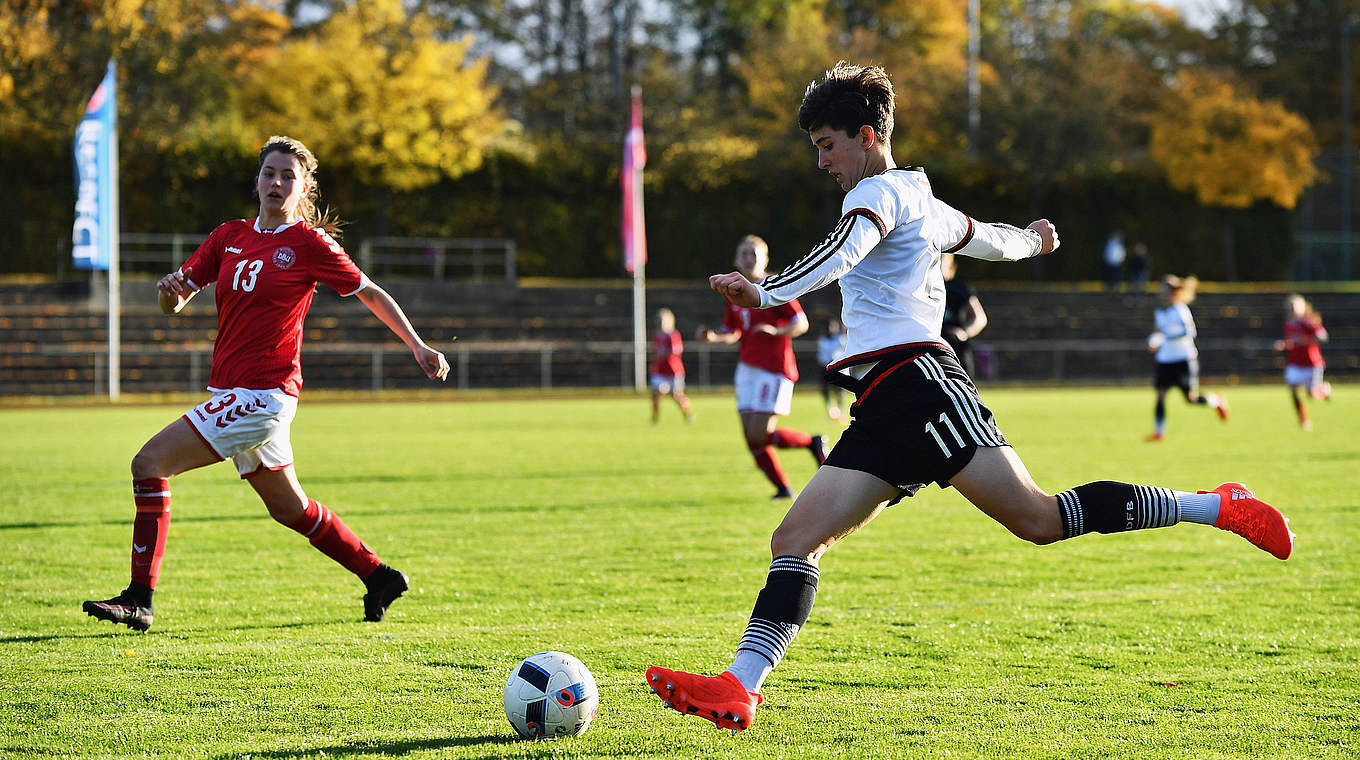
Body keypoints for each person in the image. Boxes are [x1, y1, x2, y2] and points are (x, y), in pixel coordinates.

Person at [644, 63, 1292, 734]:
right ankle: (740, 688)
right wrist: (1035, 240)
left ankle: (1218, 506)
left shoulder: (883, 195)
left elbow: (844, 248)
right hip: (885, 402)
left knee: (1039, 518)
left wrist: (766, 290)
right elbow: (989, 238)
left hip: (922, 386)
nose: (821, 161)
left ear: (867, 136)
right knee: (795, 537)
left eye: (827, 144)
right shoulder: (922, 201)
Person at [82, 135, 450, 632]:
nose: (277, 183)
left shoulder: (310, 245)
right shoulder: (228, 236)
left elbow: (370, 292)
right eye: (269, 173)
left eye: (288, 177)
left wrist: (418, 345)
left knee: (148, 464)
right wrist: (169, 294)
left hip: (263, 397)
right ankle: (379, 576)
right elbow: (177, 302)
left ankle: (139, 597)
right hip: (232, 393)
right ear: (257, 180)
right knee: (290, 509)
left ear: (303, 188)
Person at [696, 235, 828, 500]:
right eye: (743, 253)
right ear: (736, 260)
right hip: (747, 368)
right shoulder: (734, 291)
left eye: (754, 253)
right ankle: (782, 487)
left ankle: (811, 442)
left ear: (765, 259)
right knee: (751, 437)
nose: (748, 257)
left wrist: (775, 330)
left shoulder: (774, 285)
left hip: (774, 368)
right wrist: (713, 337)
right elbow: (732, 331)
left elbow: (801, 323)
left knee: (760, 433)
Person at [1145, 275, 1228, 441]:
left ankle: (1217, 401)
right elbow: (1157, 332)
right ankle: (1158, 432)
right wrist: (1153, 340)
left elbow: (1189, 332)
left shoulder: (1180, 310)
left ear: (1173, 293)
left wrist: (1167, 336)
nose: (1162, 294)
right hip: (1165, 359)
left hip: (1184, 358)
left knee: (1191, 399)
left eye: (1165, 291)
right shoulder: (1159, 312)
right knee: (1160, 394)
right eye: (1161, 291)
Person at [1275, 293, 1330, 430]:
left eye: (1295, 305)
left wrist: (1304, 340)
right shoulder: (1288, 324)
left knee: (1311, 395)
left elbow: (1323, 337)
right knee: (1292, 389)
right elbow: (1292, 341)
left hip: (1312, 363)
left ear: (1302, 306)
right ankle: (1304, 420)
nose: (1292, 308)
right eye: (1290, 306)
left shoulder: (1308, 321)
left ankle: (1325, 390)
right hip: (1295, 363)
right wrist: (1284, 344)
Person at [940, 252, 988, 378]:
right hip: (930, 344)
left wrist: (964, 333)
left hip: (954, 345)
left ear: (951, 263)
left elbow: (979, 318)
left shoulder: (958, 288)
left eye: (942, 258)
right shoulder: (919, 288)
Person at [651, 307, 695, 423]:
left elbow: (676, 350)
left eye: (663, 320)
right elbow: (655, 352)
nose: (660, 323)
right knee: (656, 393)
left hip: (674, 371)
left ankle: (688, 414)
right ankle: (655, 417)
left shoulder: (674, 335)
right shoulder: (657, 335)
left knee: (677, 395)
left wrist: (665, 353)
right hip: (660, 370)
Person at [816, 316, 848, 421]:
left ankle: (841, 411)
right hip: (824, 367)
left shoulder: (841, 339)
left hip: (837, 368)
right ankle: (830, 409)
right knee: (825, 390)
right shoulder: (822, 339)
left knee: (839, 390)